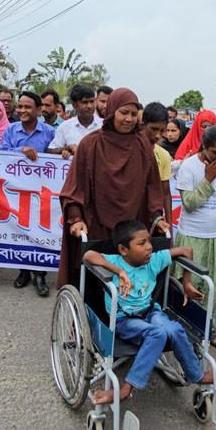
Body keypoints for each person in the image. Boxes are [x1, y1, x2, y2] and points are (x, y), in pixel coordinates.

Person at [84, 220, 216, 405]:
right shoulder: (115, 262)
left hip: (151, 312)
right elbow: (88, 255)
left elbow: (186, 251)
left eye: (149, 241)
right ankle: (127, 388)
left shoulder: (154, 260)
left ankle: (195, 375)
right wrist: (119, 272)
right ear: (123, 250)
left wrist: (187, 282)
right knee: (157, 333)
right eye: (142, 243)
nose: (149, 248)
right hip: (124, 320)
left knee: (174, 329)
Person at [58, 88, 169, 288]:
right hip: (96, 224)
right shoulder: (90, 144)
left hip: (132, 227)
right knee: (95, 283)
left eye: (134, 114)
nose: (129, 119)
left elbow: (152, 186)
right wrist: (76, 219)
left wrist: (156, 216)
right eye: (123, 112)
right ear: (111, 112)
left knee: (131, 282)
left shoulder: (143, 145)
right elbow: (75, 186)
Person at [174, 125, 216, 349]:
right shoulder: (189, 167)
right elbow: (190, 203)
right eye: (215, 152)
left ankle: (208, 330)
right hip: (192, 236)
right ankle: (187, 328)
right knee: (193, 284)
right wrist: (208, 179)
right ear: (204, 146)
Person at [0, 91, 56, 297]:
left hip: (42, 192)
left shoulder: (50, 132)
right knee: (20, 230)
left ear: (38, 110)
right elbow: (1, 153)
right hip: (16, 190)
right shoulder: (11, 130)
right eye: (19, 106)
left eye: (27, 107)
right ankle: (23, 271)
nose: (22, 110)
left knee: (40, 232)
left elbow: (56, 156)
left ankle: (39, 274)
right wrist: (21, 150)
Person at [47, 83, 102, 159]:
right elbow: (50, 150)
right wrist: (66, 149)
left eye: (92, 101)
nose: (89, 106)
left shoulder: (104, 125)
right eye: (85, 102)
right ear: (74, 105)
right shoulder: (65, 127)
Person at [142, 102, 174, 223]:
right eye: (153, 129)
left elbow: (165, 193)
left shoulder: (164, 155)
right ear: (143, 125)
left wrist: (169, 224)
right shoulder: (130, 150)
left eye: (162, 131)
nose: (157, 135)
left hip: (154, 218)